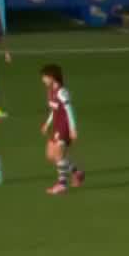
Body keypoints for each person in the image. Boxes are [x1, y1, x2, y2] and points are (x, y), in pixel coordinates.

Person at [39, 64, 83, 196]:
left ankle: (62, 184)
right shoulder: (50, 91)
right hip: (56, 126)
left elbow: (69, 111)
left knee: (58, 155)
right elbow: (54, 109)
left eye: (45, 77)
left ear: (52, 77)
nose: (43, 80)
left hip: (64, 127)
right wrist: (47, 123)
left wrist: (73, 129)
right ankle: (77, 173)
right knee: (50, 155)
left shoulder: (62, 92)